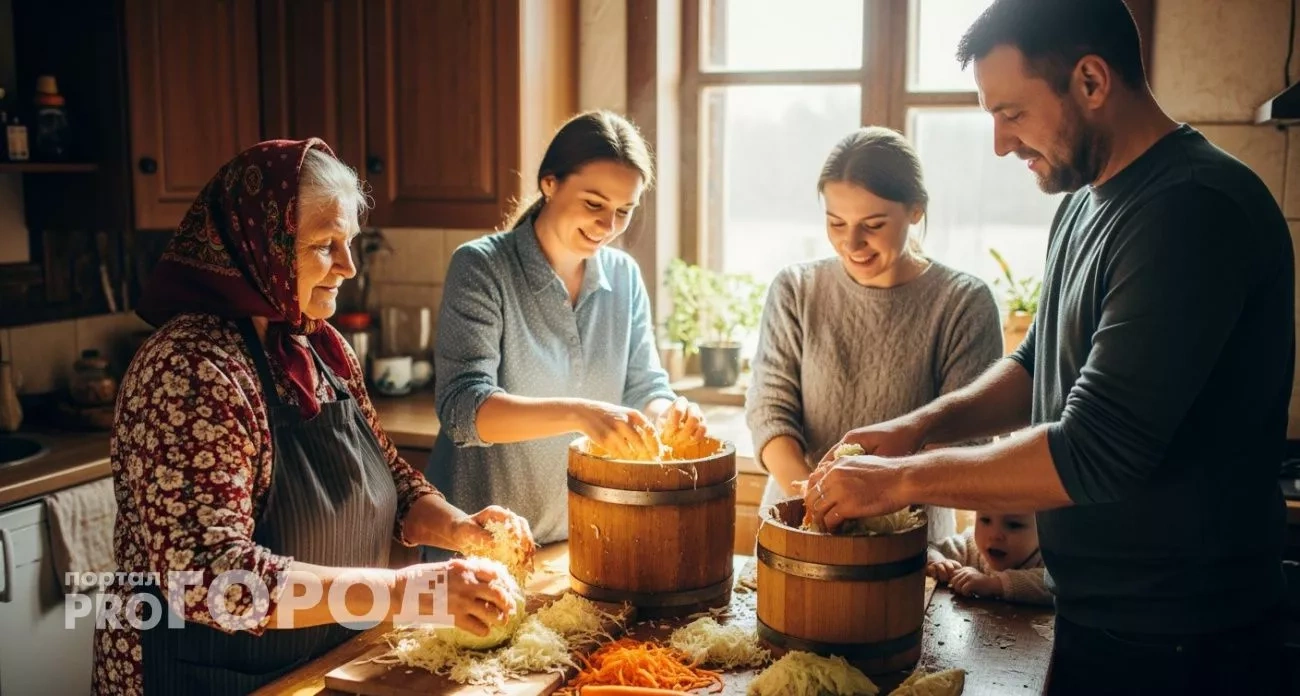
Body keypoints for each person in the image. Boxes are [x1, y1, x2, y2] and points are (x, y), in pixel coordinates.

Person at [804, 1, 1294, 693]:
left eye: (1012, 112)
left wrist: (901, 480)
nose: (1000, 143)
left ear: (1091, 81)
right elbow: (1036, 363)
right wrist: (919, 427)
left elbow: (1097, 450)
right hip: (1102, 619)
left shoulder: (1193, 209)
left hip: (1186, 644)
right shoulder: (1086, 202)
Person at [95, 139, 534, 695]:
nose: (348, 267)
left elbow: (391, 478)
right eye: (325, 245)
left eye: (348, 242)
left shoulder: (320, 346)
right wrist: (407, 591)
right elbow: (208, 577)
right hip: (206, 677)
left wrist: (458, 527)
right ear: (260, 246)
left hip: (325, 663)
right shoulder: (189, 370)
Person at [427, 110, 710, 551]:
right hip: (480, 543)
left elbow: (643, 387)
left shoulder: (625, 276)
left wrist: (669, 412)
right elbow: (463, 409)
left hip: (579, 538)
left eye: (624, 211)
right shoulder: (482, 266)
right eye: (594, 204)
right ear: (550, 183)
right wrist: (582, 413)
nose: (608, 226)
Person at [745, 126, 1003, 543]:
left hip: (909, 537)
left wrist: (878, 500)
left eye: (874, 224)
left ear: (915, 209)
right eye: (836, 222)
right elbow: (769, 412)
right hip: (800, 524)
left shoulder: (963, 302)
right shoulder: (795, 289)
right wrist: (819, 501)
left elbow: (967, 437)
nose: (852, 242)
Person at [926, 512, 1051, 606]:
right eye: (985, 520)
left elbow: (1054, 586)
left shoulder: (1050, 558)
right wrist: (938, 561)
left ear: (1044, 529)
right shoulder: (971, 545)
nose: (995, 535)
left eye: (1014, 525)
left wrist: (994, 584)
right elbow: (929, 548)